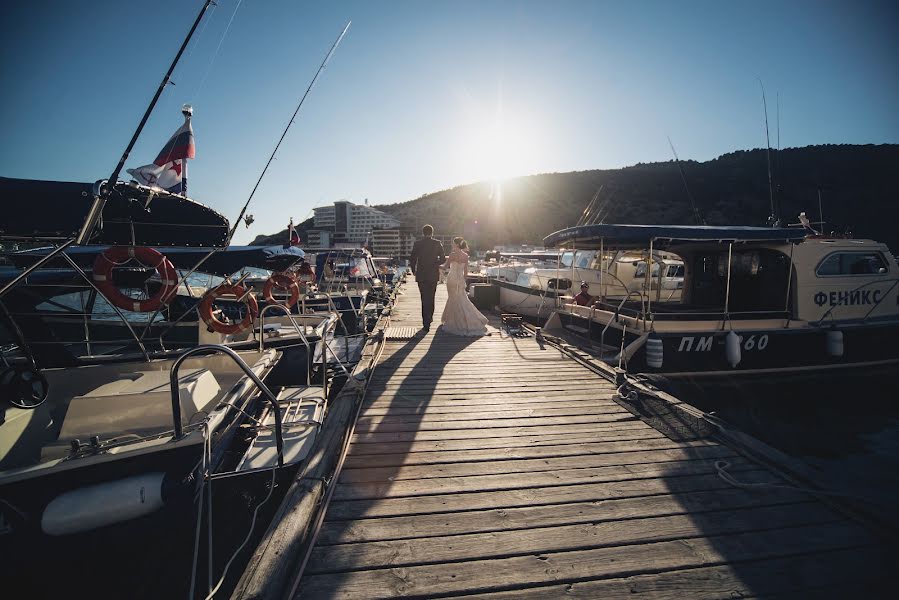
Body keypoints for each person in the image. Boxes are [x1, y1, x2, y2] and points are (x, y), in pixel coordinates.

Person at [440, 236, 488, 336]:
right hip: (460, 280)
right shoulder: (465, 256)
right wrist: (463, 281)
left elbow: (444, 267)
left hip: (452, 279)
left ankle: (453, 321)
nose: (452, 245)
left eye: (453, 243)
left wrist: (435, 265)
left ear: (457, 244)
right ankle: (467, 319)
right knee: (462, 299)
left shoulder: (452, 255)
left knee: (452, 298)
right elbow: (465, 272)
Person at [409, 224, 445, 332]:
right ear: (432, 233)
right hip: (433, 274)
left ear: (423, 233)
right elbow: (443, 259)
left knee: (424, 299)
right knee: (431, 297)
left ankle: (426, 323)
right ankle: (429, 319)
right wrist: (435, 263)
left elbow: (412, 258)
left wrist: (413, 271)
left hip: (421, 274)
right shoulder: (437, 243)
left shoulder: (417, 243)